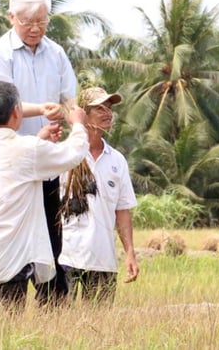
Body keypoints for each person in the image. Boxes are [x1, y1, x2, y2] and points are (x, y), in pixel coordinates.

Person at [0, 0, 77, 305]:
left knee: (51, 236)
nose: (35, 28)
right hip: (12, 162)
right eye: (27, 21)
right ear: (11, 17)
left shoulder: (57, 54)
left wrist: (68, 120)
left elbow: (69, 99)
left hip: (45, 159)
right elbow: (0, 106)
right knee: (12, 236)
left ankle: (54, 304)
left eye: (42, 21)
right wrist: (42, 110)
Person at [0, 80, 88, 309]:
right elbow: (73, 153)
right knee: (5, 333)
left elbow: (11, 163)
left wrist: (39, 139)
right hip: (12, 259)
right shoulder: (29, 149)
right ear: (16, 112)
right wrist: (78, 125)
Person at [58, 86, 139, 304]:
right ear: (83, 114)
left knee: (100, 328)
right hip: (67, 257)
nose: (108, 113)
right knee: (62, 324)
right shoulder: (64, 154)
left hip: (104, 260)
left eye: (109, 108)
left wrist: (130, 252)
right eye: (100, 108)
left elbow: (122, 211)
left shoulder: (117, 160)